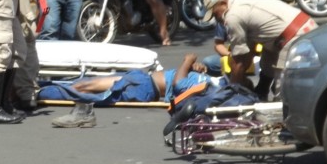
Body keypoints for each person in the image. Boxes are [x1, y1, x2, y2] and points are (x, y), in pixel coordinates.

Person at [202, 0, 317, 100]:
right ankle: (261, 91)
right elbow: (248, 51)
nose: (217, 19)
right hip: (304, 27)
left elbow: (240, 60)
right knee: (267, 58)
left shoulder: (232, 16)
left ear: (223, 3)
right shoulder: (244, 2)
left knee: (282, 94)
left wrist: (232, 89)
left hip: (296, 36)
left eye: (216, 14)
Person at [43, 53, 212, 128]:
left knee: (84, 88)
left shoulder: (208, 83)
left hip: (142, 86)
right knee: (84, 85)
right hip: (142, 83)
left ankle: (37, 92)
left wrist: (187, 61)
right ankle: (39, 87)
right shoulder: (207, 80)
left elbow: (179, 84)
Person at [201, 0, 256, 76]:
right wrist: (229, 54)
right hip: (237, 55)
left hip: (259, 56)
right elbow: (218, 44)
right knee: (209, 62)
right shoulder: (224, 16)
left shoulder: (254, 10)